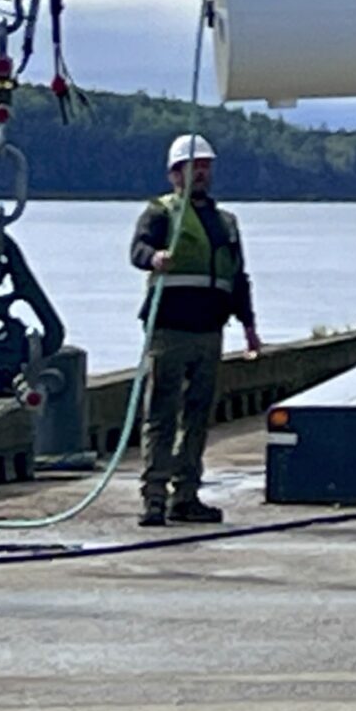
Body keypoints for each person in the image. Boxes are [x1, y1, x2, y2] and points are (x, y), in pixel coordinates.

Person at [128, 134, 259, 528]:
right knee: (162, 415)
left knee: (199, 417)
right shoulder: (159, 214)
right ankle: (154, 497)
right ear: (174, 174)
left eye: (205, 165)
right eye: (192, 166)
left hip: (209, 332)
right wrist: (155, 258)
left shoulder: (226, 223)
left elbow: (238, 279)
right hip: (169, 330)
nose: (201, 172)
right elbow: (136, 250)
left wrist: (249, 327)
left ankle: (186, 495)